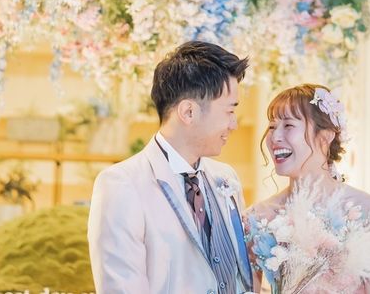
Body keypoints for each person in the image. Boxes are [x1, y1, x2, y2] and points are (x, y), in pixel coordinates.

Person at [88, 41, 254, 294]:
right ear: (188, 112)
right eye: (229, 111)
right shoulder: (122, 184)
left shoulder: (226, 178)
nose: (234, 125)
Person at [245, 84, 370, 294]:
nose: (275, 137)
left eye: (288, 125)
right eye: (272, 126)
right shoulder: (259, 217)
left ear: (326, 135)